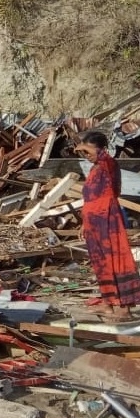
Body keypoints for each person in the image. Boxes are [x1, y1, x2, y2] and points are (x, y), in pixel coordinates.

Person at [75, 131, 140, 320]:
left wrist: (83, 144)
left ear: (101, 149)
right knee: (100, 263)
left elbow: (104, 157)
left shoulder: (108, 165)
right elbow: (90, 199)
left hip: (108, 219)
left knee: (116, 259)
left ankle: (125, 307)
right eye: (84, 152)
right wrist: (84, 223)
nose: (86, 155)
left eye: (89, 151)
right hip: (93, 222)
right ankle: (107, 303)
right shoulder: (94, 170)